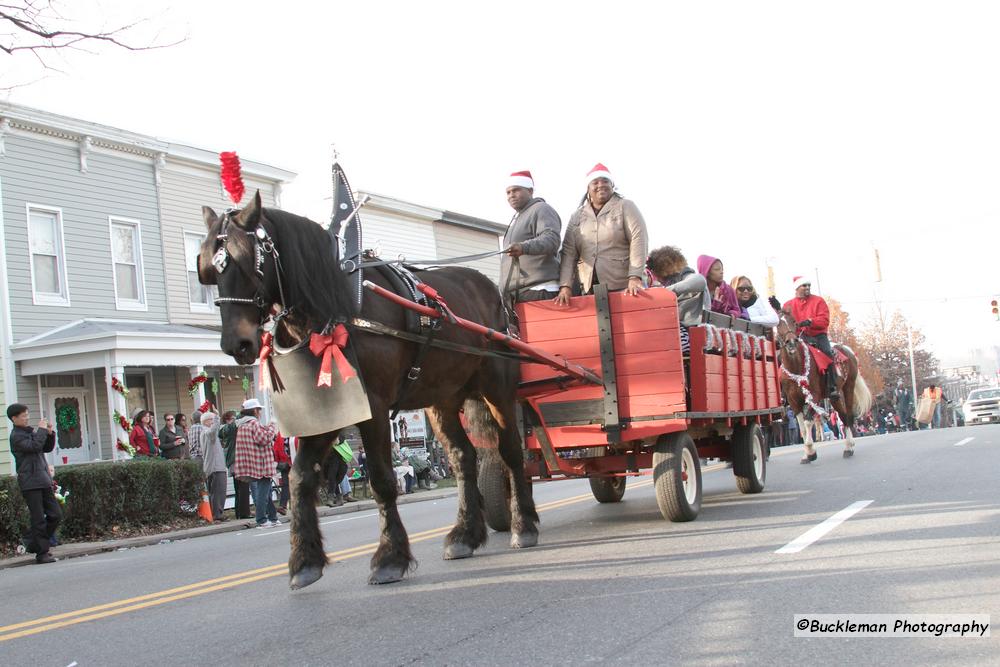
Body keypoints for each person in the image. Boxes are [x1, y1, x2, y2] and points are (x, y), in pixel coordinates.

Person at [556, 163, 649, 305]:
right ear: (588, 188)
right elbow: (569, 253)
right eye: (595, 182)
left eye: (605, 181)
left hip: (623, 284)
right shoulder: (577, 216)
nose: (601, 185)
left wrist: (635, 276)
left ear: (612, 185)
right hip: (589, 287)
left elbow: (638, 240)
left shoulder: (625, 206)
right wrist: (565, 286)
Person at [7, 403, 61, 564]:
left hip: (43, 479)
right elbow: (34, 446)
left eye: (27, 414)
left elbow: (45, 447)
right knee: (38, 518)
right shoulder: (16, 436)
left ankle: (33, 542)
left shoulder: (30, 432)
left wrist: (49, 434)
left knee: (55, 514)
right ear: (14, 418)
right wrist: (42, 431)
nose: (27, 418)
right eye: (23, 416)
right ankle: (42, 553)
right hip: (30, 483)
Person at [500, 170, 562, 307]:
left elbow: (551, 239)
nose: (511, 195)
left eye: (516, 190)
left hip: (539, 290)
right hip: (520, 293)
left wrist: (524, 247)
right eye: (508, 192)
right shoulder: (517, 218)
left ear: (530, 190)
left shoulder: (541, 209)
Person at [782, 276, 840, 399]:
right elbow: (783, 320)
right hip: (798, 337)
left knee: (827, 353)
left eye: (809, 285)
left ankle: (832, 386)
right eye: (804, 285)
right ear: (797, 288)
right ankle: (784, 389)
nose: (807, 287)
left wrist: (810, 321)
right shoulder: (788, 305)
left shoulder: (818, 301)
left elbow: (824, 320)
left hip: (818, 335)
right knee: (783, 356)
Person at [646, 245, 709, 355]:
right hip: (693, 333)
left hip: (689, 335)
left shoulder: (685, 275)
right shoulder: (679, 280)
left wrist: (665, 291)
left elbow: (700, 281)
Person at [232, 398, 279, 529]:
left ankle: (273, 517)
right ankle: (262, 519)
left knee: (265, 490)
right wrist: (271, 427)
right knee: (264, 492)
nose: (260, 412)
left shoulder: (241, 424)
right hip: (261, 463)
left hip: (251, 462)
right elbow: (263, 439)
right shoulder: (254, 423)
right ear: (254, 410)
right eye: (259, 409)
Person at [219, 410, 251, 519]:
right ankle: (244, 513)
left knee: (239, 488)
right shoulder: (227, 429)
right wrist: (241, 414)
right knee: (243, 486)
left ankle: (240, 512)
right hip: (236, 461)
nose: (234, 421)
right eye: (231, 418)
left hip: (235, 461)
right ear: (227, 420)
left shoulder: (228, 429)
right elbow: (234, 425)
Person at [199, 411, 228, 522]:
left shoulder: (205, 433)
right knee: (218, 491)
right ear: (205, 421)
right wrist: (217, 417)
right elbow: (213, 431)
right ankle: (217, 514)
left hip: (212, 466)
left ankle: (215, 513)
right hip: (215, 466)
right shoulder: (207, 432)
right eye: (211, 419)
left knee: (215, 491)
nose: (213, 422)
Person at [697, 255, 743, 319]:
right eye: (717, 269)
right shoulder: (698, 290)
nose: (721, 272)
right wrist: (716, 304)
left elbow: (737, 310)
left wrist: (732, 314)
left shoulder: (728, 290)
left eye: (722, 269)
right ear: (706, 271)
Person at [273, 432, 291, 515]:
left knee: (287, 485)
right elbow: (276, 449)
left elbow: (276, 449)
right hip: (288, 463)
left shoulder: (282, 433)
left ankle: (283, 505)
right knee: (287, 484)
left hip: (290, 462)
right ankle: (283, 506)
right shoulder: (281, 434)